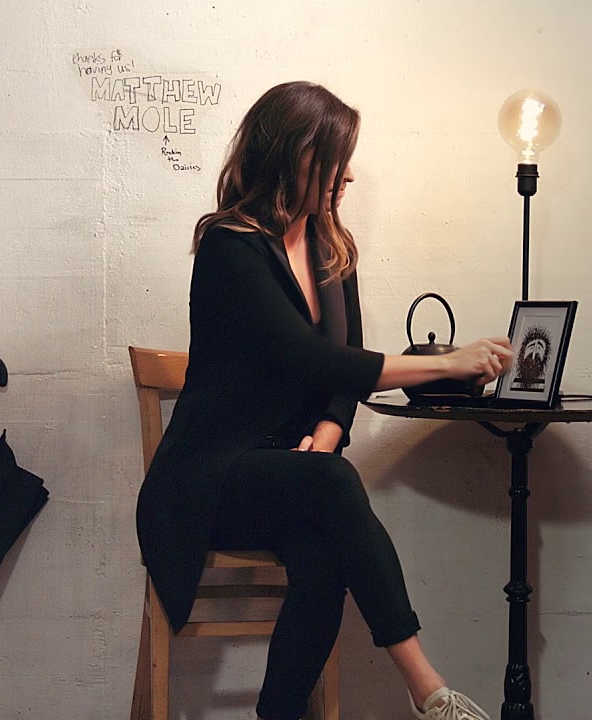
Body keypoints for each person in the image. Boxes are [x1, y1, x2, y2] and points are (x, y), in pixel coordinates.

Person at [135, 81, 513, 720]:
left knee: (325, 551)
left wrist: (331, 431)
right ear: (294, 155)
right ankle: (429, 692)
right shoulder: (231, 246)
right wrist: (447, 362)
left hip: (287, 476)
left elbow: (343, 371)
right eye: (338, 160)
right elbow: (308, 359)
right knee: (334, 489)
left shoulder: (331, 249)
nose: (350, 176)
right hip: (205, 481)